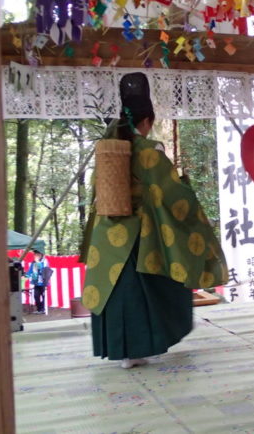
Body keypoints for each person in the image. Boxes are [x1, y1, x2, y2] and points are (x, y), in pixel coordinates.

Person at [80, 72, 228, 369]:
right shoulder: (149, 151)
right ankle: (139, 348)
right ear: (147, 121)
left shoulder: (107, 148)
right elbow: (171, 193)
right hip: (141, 235)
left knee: (116, 289)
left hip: (107, 233)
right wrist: (186, 188)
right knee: (155, 285)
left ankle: (123, 351)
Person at [25, 249, 51, 314]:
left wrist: (38, 262)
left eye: (37, 254)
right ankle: (39, 309)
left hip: (43, 282)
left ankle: (43, 309)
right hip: (36, 282)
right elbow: (30, 271)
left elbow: (43, 270)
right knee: (36, 296)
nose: (36, 256)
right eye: (35, 254)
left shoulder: (45, 261)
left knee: (44, 296)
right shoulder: (33, 262)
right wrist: (26, 276)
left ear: (41, 255)